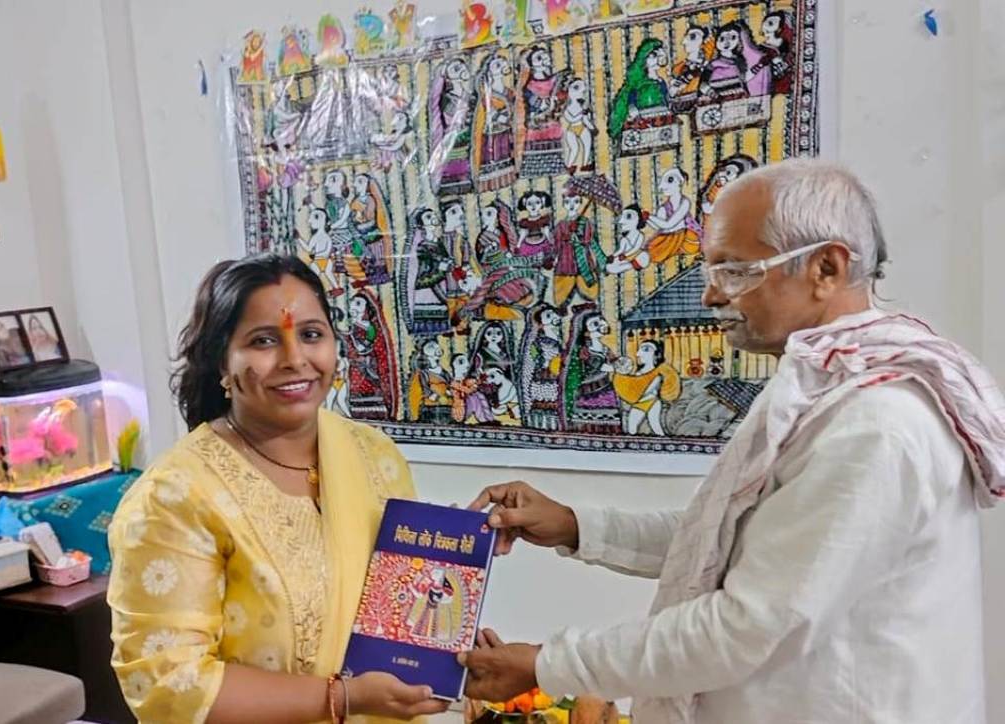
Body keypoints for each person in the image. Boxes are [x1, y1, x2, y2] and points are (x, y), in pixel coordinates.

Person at [458, 160, 1005, 723]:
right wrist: (575, 525)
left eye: (736, 271)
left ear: (826, 267)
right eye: (711, 270)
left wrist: (548, 665)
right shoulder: (824, 389)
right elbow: (728, 539)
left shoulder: (877, 423)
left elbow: (747, 626)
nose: (711, 295)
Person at [107, 254, 448, 723]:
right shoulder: (175, 497)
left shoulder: (374, 456)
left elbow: (402, 606)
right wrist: (344, 698)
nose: (294, 360)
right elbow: (169, 683)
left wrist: (452, 645)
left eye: (311, 334)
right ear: (221, 362)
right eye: (263, 341)